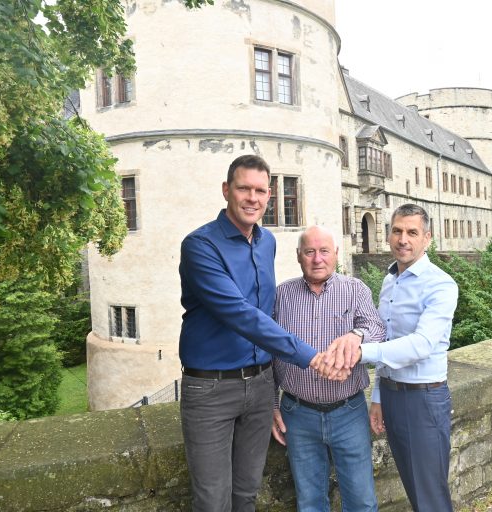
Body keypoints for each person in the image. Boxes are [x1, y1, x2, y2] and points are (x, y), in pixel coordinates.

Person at [178, 154, 326, 512]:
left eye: (260, 191)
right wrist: (310, 355)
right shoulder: (200, 245)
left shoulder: (267, 242)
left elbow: (266, 311)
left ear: (269, 195)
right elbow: (241, 315)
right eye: (244, 188)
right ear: (227, 190)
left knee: (247, 494)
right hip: (211, 389)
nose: (252, 198)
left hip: (259, 387)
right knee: (213, 501)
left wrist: (273, 392)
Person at [330, 203, 458, 512]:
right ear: (389, 235)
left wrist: (360, 352)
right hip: (393, 394)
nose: (403, 239)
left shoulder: (441, 284)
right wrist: (378, 395)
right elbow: (387, 338)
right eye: (397, 231)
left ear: (427, 238)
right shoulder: (390, 280)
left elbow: (421, 344)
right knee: (414, 489)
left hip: (424, 400)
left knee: (430, 497)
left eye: (412, 232)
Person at [271, 226, 385, 512]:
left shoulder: (354, 289)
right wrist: (271, 403)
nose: (317, 258)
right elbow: (267, 350)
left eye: (324, 251)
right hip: (298, 414)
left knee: (362, 501)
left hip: (349, 412)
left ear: (336, 254)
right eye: (309, 251)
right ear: (299, 256)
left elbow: (377, 328)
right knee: (309, 503)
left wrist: (356, 336)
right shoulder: (281, 295)